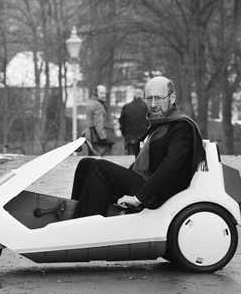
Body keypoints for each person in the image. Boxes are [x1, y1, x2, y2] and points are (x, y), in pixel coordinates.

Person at [71, 76, 205, 218]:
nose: (153, 104)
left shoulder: (181, 126)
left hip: (158, 193)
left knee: (100, 169)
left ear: (172, 98)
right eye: (149, 98)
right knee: (86, 164)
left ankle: (85, 225)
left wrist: (138, 198)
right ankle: (71, 213)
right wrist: (121, 176)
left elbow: (170, 167)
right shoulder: (160, 123)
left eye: (158, 98)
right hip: (146, 182)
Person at [82, 84, 115, 156]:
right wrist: (104, 139)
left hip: (90, 136)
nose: (104, 95)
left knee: (92, 160)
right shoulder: (98, 105)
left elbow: (89, 121)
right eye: (101, 93)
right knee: (103, 162)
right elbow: (98, 123)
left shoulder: (90, 103)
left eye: (104, 93)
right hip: (96, 138)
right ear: (96, 93)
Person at [118, 89, 148, 156]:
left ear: (134, 96)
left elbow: (121, 121)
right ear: (142, 96)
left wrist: (124, 133)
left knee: (129, 159)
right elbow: (150, 122)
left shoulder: (126, 107)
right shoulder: (147, 107)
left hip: (129, 138)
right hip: (143, 138)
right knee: (142, 158)